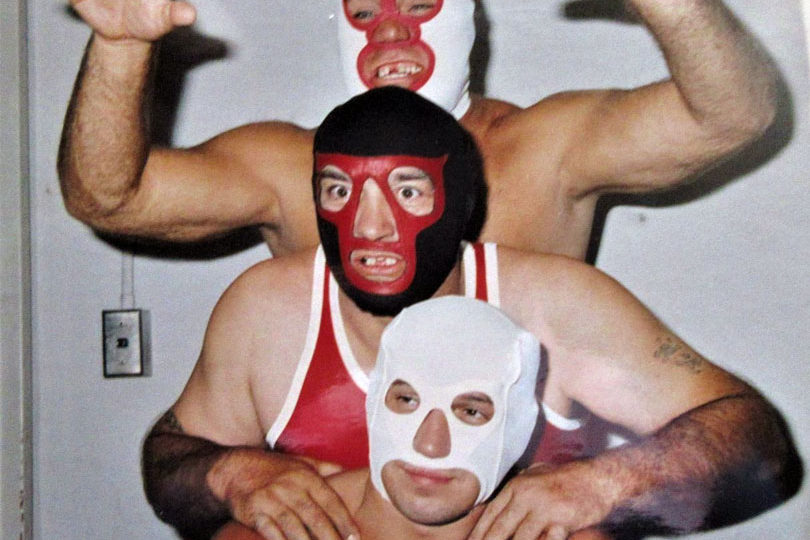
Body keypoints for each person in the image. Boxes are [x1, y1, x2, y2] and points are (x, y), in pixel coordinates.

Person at [141, 88, 799, 540]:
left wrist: (600, 486)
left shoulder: (550, 303)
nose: (370, 225)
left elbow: (760, 449)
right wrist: (233, 473)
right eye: (339, 190)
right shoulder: (269, 308)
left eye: (407, 191)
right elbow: (170, 457)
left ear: (461, 204)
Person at [59, 0, 777, 261]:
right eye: (366, 13)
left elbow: (733, 116)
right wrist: (121, 48)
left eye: (416, 4)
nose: (391, 30)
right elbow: (109, 198)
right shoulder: (288, 167)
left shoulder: (542, 149)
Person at [212, 295, 544, 540]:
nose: (429, 445)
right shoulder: (274, 532)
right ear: (374, 402)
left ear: (518, 428)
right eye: (408, 401)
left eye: (470, 412)